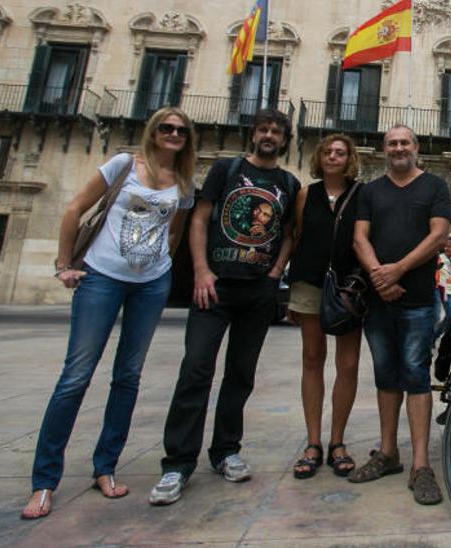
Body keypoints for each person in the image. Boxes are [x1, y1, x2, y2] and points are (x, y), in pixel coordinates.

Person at [22, 107, 197, 519]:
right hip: (101, 277)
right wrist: (64, 265)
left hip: (151, 284)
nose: (173, 135)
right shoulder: (123, 165)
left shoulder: (185, 184)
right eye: (166, 128)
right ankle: (44, 481)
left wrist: (160, 267)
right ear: (153, 133)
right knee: (75, 376)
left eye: (181, 131)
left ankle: (106, 468)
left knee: (128, 377)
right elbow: (73, 210)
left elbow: (174, 231)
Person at [149, 109, 299, 506]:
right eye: (264, 129)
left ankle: (226, 451)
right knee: (196, 370)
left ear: (285, 140)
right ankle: (177, 463)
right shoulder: (224, 170)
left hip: (257, 292)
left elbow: (288, 234)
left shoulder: (287, 183)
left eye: (276, 132)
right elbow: (198, 220)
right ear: (254, 134)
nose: (269, 136)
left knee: (240, 375)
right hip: (214, 289)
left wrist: (276, 273)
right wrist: (201, 270)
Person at [348, 124, 451, 506]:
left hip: (419, 299)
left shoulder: (434, 187)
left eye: (404, 142)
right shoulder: (370, 191)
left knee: (417, 376)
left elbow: (439, 235)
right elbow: (360, 238)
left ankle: (420, 465)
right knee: (385, 374)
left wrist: (398, 270)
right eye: (391, 143)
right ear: (384, 148)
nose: (397, 148)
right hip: (378, 300)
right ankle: (388, 454)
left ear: (416, 147)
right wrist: (379, 275)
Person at [286, 134, 364, 479]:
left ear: (350, 158)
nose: (334, 156)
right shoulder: (306, 194)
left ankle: (338, 442)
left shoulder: (362, 195)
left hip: (348, 289)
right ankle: (313, 442)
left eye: (341, 152)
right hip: (309, 284)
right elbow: (297, 236)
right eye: (329, 151)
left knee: (347, 365)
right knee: (312, 360)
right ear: (321, 157)